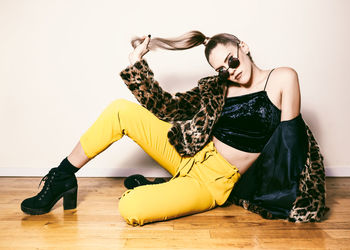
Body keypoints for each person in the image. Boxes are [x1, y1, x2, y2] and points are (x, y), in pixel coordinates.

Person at [20, 31, 324, 226]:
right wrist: (136, 62)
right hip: (188, 154)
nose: (231, 71)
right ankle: (61, 176)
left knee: (131, 209)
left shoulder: (282, 78)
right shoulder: (216, 87)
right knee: (119, 110)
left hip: (212, 183)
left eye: (232, 60)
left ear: (243, 46)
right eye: (222, 69)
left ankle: (160, 187)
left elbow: (291, 141)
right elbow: (169, 108)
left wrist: (293, 196)